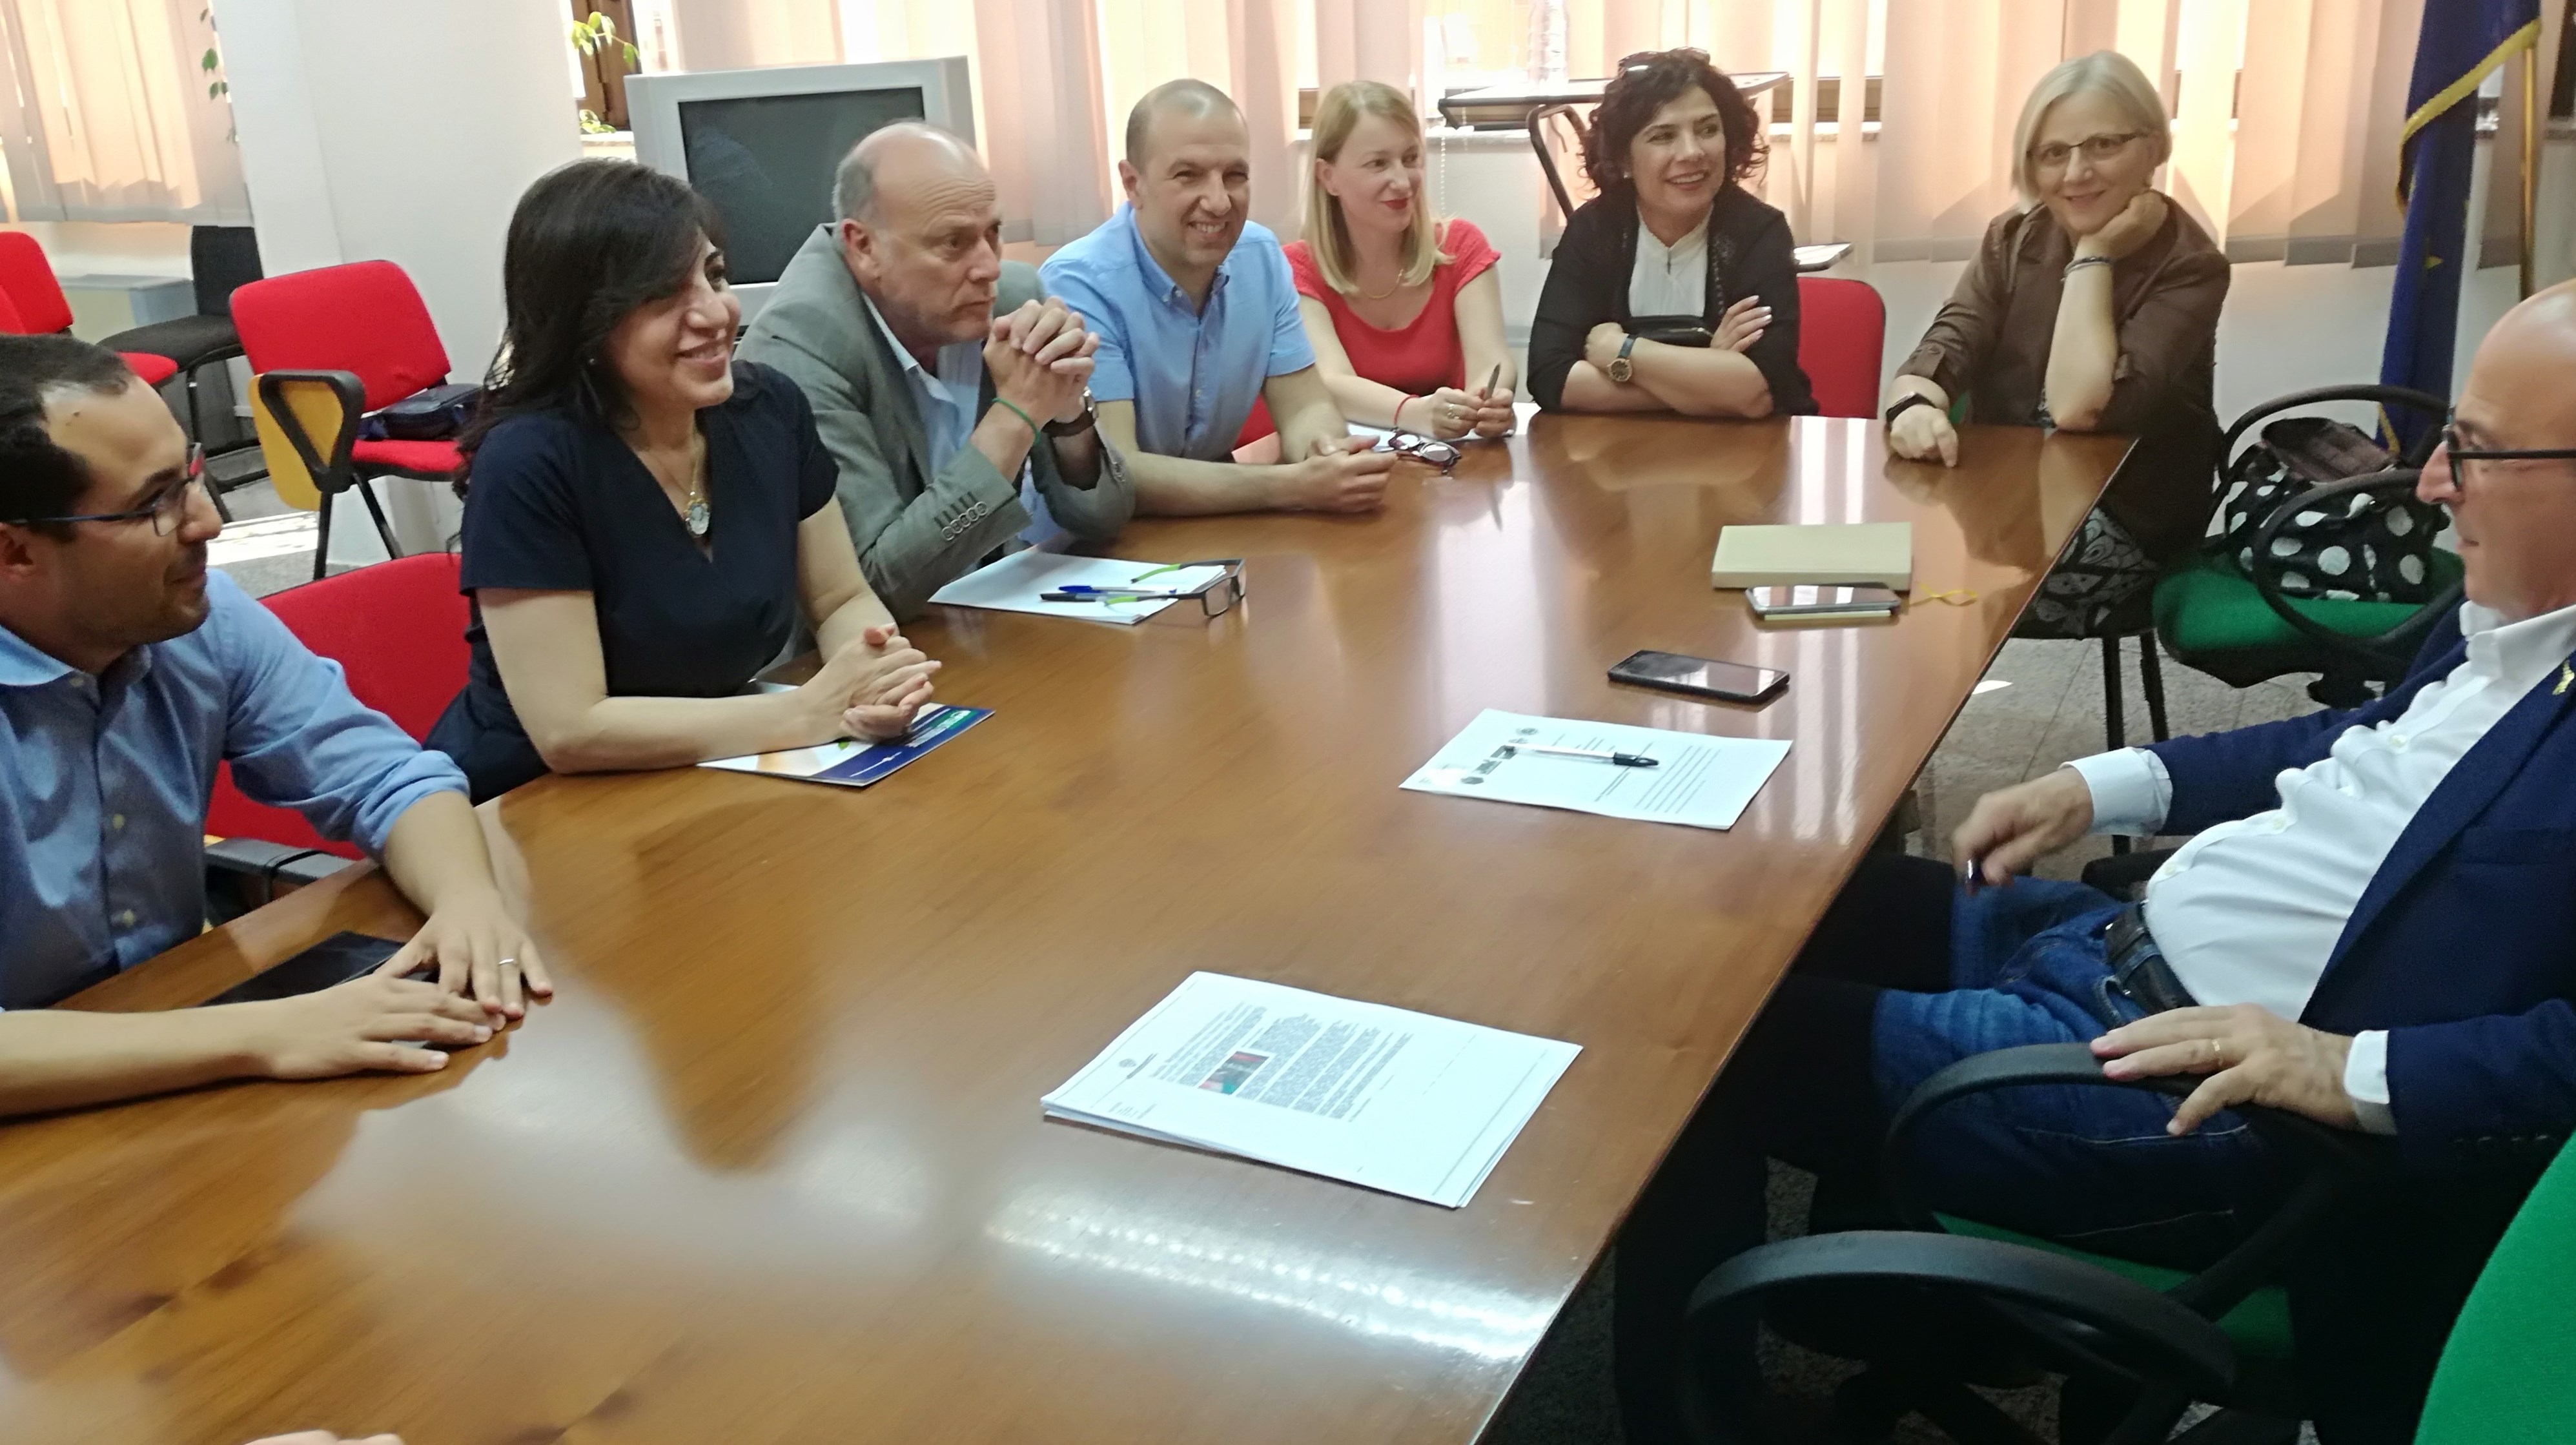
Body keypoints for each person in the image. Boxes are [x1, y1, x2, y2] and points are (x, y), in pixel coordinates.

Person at [1615, 282, 2576, 1445]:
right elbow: (2354, 742)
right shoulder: (2516, 626)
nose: (2427, 483)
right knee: (1767, 901)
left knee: (1687, 1047)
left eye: (2472, 450)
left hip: (2185, 1091)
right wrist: (2097, 783)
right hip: (2100, 945)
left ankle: (1686, 1423)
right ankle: (1884, 1306)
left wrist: (2354, 1067)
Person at [0, 336, 546, 1116]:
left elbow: (386, 778)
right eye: (155, 503)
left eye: (191, 475)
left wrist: (467, 901)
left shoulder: (198, 620)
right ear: (16, 551)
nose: (207, 521)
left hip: (159, 1055)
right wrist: (265, 1033)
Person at [426, 159, 939, 803]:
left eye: (714, 276)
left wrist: (875, 672)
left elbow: (840, 598)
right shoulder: (528, 463)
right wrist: (806, 714)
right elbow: (570, 730)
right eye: (664, 295)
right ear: (584, 322)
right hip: (528, 800)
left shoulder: (769, 409)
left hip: (709, 769)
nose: (715, 312)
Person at [1883, 50, 2229, 637]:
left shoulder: (2191, 266)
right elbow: (1949, 341)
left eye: (2104, 145)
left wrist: (2094, 256)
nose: (2076, 173)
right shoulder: (2014, 238)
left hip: (2129, 520)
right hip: (2001, 497)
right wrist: (1914, 404)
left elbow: (2078, 408)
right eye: (2053, 154)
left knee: (1921, 590)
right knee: (1864, 559)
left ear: (2153, 146)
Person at [737, 122, 1133, 620]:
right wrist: (1015, 416)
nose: (989, 267)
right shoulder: (799, 347)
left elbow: (1104, 518)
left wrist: (1068, 410)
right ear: (864, 247)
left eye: (993, 233)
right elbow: (874, 589)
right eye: (953, 242)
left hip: (993, 617)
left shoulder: (1010, 301)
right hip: (870, 653)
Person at [1040, 79, 1396, 516]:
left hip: (1214, 524)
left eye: (1235, 176)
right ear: (1133, 183)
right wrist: (1296, 486)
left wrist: (1324, 452)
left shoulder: (1261, 257)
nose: (1219, 202)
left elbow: (1305, 406)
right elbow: (1120, 470)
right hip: (1083, 545)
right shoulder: (1077, 284)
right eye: (1188, 175)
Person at [1526, 49, 1815, 420]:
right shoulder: (1595, 230)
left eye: (1708, 130)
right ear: (1624, 158)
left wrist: (1621, 351)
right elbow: (1552, 378)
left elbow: (1760, 391)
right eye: (1663, 136)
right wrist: (1710, 373)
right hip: (1615, 450)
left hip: (1745, 449)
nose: (1692, 152)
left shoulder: (1758, 231)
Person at [1284, 81, 1515, 441]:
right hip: (1348, 463)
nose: (1403, 182)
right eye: (1378, 164)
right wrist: (1414, 413)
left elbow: (1492, 361)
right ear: (1328, 177)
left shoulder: (1461, 246)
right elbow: (1330, 381)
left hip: (1453, 462)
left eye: (1410, 159)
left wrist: (1488, 403)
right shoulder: (1295, 269)